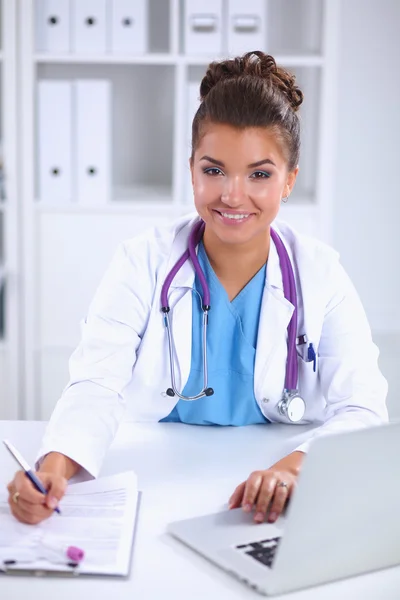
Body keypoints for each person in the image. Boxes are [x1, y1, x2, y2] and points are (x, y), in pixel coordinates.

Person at [7, 51, 388, 526]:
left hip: (264, 497)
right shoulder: (141, 263)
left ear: (289, 180)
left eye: (260, 174)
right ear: (191, 170)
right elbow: (95, 384)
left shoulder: (320, 274)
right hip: (157, 484)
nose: (232, 194)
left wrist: (294, 469)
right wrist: (55, 468)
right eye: (214, 170)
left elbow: (364, 407)